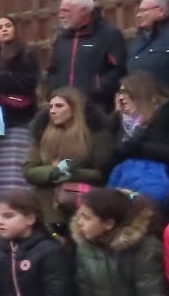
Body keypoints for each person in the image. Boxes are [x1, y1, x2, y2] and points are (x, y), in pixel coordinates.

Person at [105, 70, 169, 206]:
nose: (121, 98)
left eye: (127, 93)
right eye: (120, 93)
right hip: (126, 182)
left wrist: (138, 146)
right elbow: (111, 159)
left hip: (166, 181)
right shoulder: (119, 122)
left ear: (142, 93)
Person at [0, 16, 41, 208]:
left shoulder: (27, 54)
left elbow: (28, 82)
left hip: (17, 120)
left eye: (8, 26)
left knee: (15, 171)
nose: (4, 29)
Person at [22, 88, 112, 227]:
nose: (52, 111)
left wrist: (71, 173)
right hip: (47, 209)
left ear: (74, 108)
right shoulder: (41, 134)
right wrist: (55, 170)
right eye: (51, 106)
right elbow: (29, 170)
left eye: (59, 106)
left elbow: (102, 173)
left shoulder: (95, 135)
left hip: (83, 207)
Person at [48, 0, 127, 110]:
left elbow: (119, 70)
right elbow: (53, 70)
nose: (61, 15)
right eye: (61, 11)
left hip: (97, 108)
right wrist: (55, 91)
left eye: (66, 11)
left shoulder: (109, 35)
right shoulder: (62, 39)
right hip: (65, 109)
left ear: (84, 10)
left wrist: (96, 89)